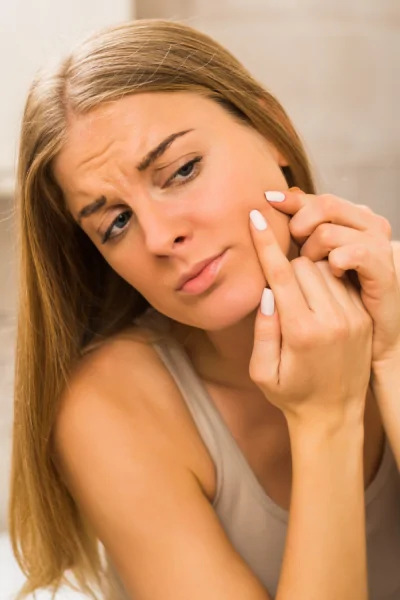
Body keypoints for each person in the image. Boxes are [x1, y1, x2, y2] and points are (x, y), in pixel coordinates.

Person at [8, 18, 400, 600]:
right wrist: (325, 420)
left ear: (272, 130)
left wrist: (391, 354)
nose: (161, 237)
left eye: (181, 171)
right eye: (116, 222)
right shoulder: (110, 406)